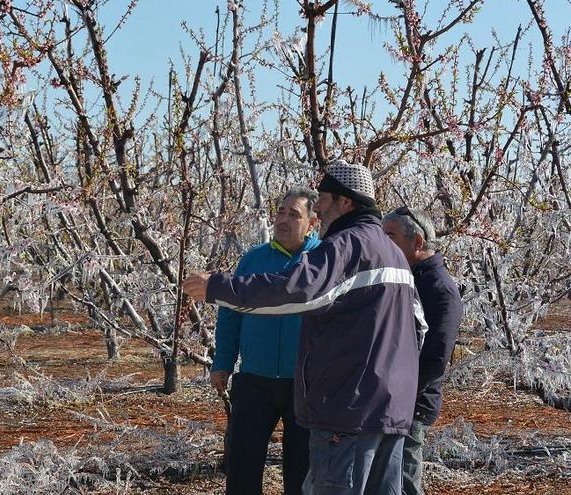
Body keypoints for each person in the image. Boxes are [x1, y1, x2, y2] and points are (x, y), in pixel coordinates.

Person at [184, 160, 427, 495]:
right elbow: (418, 326)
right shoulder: (393, 253)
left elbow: (297, 292)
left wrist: (217, 288)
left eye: (323, 200)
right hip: (388, 410)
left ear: (345, 202)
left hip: (347, 410)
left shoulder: (346, 246)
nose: (320, 208)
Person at [212, 188, 320, 495]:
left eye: (294, 214)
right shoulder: (253, 260)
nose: (283, 220)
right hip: (254, 381)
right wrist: (222, 363)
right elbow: (230, 315)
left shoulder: (323, 261)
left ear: (312, 223)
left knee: (302, 468)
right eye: (280, 212)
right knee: (243, 463)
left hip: (305, 382)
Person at [382, 207, 462, 495]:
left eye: (389, 236)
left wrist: (401, 392)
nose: (382, 243)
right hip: (391, 400)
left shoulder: (440, 289)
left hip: (411, 404)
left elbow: (436, 358)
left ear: (417, 242)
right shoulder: (406, 277)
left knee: (404, 480)